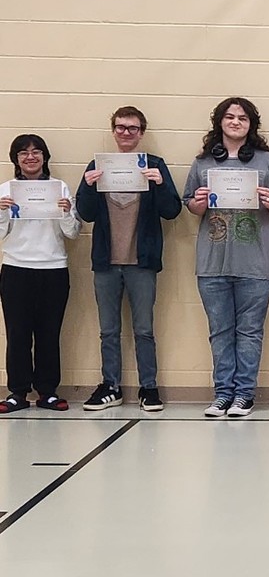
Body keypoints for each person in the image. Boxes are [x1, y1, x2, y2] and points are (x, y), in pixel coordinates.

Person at [182, 97, 269, 418]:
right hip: (212, 262)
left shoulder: (266, 162)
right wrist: (199, 203)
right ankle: (222, 394)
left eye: (242, 118)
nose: (235, 122)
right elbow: (190, 204)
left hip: (255, 263)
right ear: (219, 122)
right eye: (229, 117)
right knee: (219, 331)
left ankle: (244, 394)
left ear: (251, 125)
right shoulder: (203, 162)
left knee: (249, 332)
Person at [76, 106, 182, 413]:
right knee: (108, 329)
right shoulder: (98, 165)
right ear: (113, 131)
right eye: (121, 127)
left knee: (144, 329)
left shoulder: (155, 165)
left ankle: (148, 387)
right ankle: (111, 386)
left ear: (142, 133)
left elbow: (172, 210)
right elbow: (86, 214)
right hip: (106, 263)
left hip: (142, 262)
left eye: (132, 128)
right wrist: (87, 185)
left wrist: (160, 184)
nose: (126, 133)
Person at [0, 134, 80, 413]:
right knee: (18, 334)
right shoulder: (5, 190)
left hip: (53, 269)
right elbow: (0, 235)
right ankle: (17, 393)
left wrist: (67, 213)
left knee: (49, 334)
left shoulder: (59, 188)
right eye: (23, 153)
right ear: (16, 159)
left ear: (45, 157)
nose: (30, 157)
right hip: (16, 269)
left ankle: (47, 391)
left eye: (36, 152)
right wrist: (1, 213)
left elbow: (72, 233)